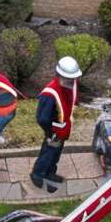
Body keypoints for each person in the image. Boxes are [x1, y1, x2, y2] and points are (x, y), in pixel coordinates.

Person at [31, 56, 81, 192]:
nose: (71, 82)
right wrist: (50, 133)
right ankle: (37, 174)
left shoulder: (70, 85)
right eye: (68, 78)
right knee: (48, 153)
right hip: (53, 132)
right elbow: (42, 118)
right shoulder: (50, 93)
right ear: (59, 75)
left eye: (72, 79)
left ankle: (50, 172)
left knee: (56, 154)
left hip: (63, 129)